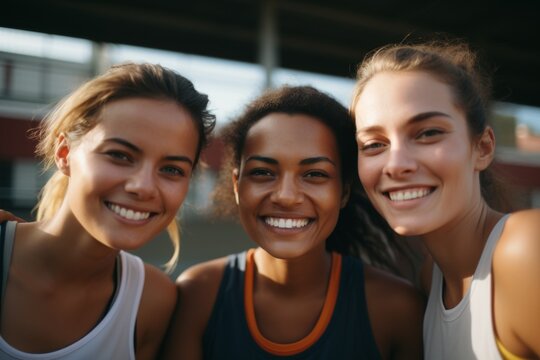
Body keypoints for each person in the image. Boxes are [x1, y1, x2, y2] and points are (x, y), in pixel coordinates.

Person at [161, 85, 424, 359]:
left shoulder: (396, 309)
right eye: (263, 172)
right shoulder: (199, 294)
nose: (286, 197)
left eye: (314, 174)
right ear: (237, 185)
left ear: (344, 191)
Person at [0, 62, 215, 359]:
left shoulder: (153, 302)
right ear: (64, 153)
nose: (144, 187)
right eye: (119, 155)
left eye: (171, 169)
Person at [350, 41, 540, 359]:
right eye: (373, 144)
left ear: (482, 148)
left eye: (428, 133)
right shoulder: (431, 277)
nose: (396, 164)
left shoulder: (527, 250)